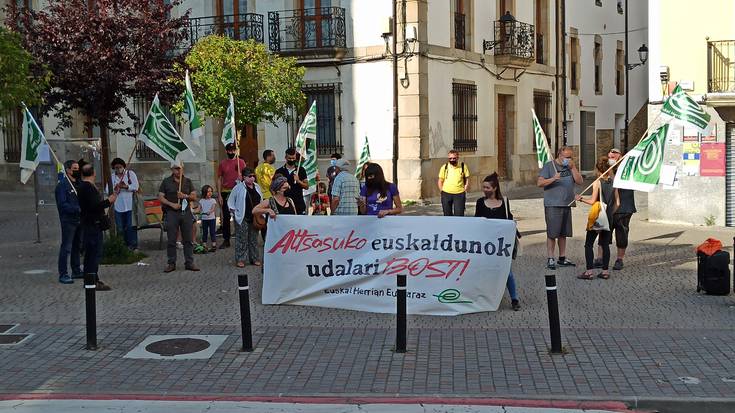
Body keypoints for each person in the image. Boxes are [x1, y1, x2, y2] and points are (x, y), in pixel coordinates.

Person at [474, 173, 521, 311]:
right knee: (484, 271)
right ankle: (483, 298)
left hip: (501, 245)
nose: (485, 190)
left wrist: (514, 229)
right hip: (486, 244)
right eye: (483, 187)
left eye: (487, 187)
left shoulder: (504, 202)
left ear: (494, 188)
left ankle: (514, 299)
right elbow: (477, 221)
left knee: (507, 272)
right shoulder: (480, 202)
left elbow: (509, 219)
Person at [538, 146, 583, 270]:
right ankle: (550, 258)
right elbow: (540, 183)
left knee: (563, 233)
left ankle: (562, 257)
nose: (568, 159)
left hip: (567, 203)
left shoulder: (570, 166)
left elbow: (580, 181)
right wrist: (553, 179)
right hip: (553, 204)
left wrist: (573, 167)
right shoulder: (549, 166)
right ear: (559, 155)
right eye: (566, 157)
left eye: (570, 157)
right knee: (552, 233)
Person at [576, 156, 620, 280]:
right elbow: (618, 202)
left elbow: (592, 201)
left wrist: (581, 198)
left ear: (597, 169)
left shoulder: (597, 182)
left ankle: (589, 272)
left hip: (598, 216)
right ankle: (605, 271)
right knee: (605, 244)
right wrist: (610, 213)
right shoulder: (614, 182)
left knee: (589, 244)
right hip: (608, 217)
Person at [595, 148, 636, 270]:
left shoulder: (627, 168)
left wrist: (621, 162)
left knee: (622, 233)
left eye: (615, 154)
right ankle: (600, 258)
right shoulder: (606, 168)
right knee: (603, 232)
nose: (612, 156)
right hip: (608, 206)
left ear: (621, 156)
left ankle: (619, 259)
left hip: (624, 206)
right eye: (610, 154)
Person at [77, 164, 115, 291]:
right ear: (94, 174)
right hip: (92, 225)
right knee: (93, 255)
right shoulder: (87, 187)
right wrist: (109, 201)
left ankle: (93, 278)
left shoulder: (84, 186)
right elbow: (95, 206)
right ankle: (91, 281)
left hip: (91, 224)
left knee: (92, 254)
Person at [158, 163, 199, 273]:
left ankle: (189, 262)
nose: (178, 171)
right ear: (172, 169)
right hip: (171, 212)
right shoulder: (166, 182)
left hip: (185, 213)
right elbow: (160, 197)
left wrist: (185, 196)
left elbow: (194, 196)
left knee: (188, 239)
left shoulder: (188, 181)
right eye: (176, 169)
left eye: (180, 168)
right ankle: (171, 263)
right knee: (171, 239)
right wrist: (171, 204)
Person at [228, 168, 263, 268]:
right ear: (244, 177)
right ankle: (241, 259)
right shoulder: (238, 188)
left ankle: (254, 258)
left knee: (253, 239)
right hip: (242, 216)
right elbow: (231, 201)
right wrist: (234, 212)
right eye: (250, 176)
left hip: (255, 217)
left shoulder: (257, 187)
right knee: (241, 239)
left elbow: (260, 200)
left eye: (253, 176)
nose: (252, 178)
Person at [55, 160, 82, 284]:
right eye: (75, 168)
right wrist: (76, 209)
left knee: (77, 246)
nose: (77, 170)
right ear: (68, 170)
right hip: (68, 220)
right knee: (66, 247)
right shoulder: (63, 185)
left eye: (78, 168)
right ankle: (63, 273)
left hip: (80, 219)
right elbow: (62, 205)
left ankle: (76, 270)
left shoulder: (79, 183)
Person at [216, 143, 246, 248]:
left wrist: (241, 177)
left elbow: (246, 176)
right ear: (226, 151)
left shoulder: (241, 162)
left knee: (240, 215)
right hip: (226, 191)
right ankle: (226, 239)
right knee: (226, 216)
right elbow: (219, 179)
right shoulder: (222, 163)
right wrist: (219, 194)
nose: (231, 152)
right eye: (229, 150)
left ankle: (241, 237)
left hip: (237, 191)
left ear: (236, 151)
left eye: (233, 150)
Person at [108, 158, 139, 251]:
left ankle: (133, 245)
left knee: (130, 225)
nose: (118, 169)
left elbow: (136, 187)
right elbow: (107, 190)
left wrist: (126, 186)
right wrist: (115, 188)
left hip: (129, 204)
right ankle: (122, 245)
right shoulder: (112, 177)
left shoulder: (130, 174)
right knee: (120, 227)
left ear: (123, 166)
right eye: (116, 168)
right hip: (118, 205)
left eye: (120, 167)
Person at [275, 147, 309, 215]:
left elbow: (306, 186)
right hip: (284, 203)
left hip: (298, 203)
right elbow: (273, 187)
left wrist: (298, 181)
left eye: (293, 158)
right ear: (286, 157)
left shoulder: (301, 170)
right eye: (289, 158)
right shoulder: (279, 171)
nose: (291, 160)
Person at [438, 149, 470, 216]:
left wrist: (465, 188)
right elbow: (440, 180)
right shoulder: (445, 167)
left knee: (459, 215)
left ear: (458, 157)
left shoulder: (463, 166)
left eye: (454, 158)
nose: (452, 160)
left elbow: (467, 179)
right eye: (450, 158)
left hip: (459, 194)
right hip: (446, 194)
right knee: (447, 215)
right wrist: (442, 191)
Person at [199, 185, 217, 252]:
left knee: (212, 232)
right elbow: (199, 209)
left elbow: (213, 209)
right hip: (204, 219)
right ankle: (204, 244)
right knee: (205, 232)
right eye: (208, 191)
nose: (210, 193)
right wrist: (194, 211)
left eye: (211, 191)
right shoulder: (201, 201)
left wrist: (209, 212)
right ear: (204, 192)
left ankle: (214, 244)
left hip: (212, 219)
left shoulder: (213, 200)